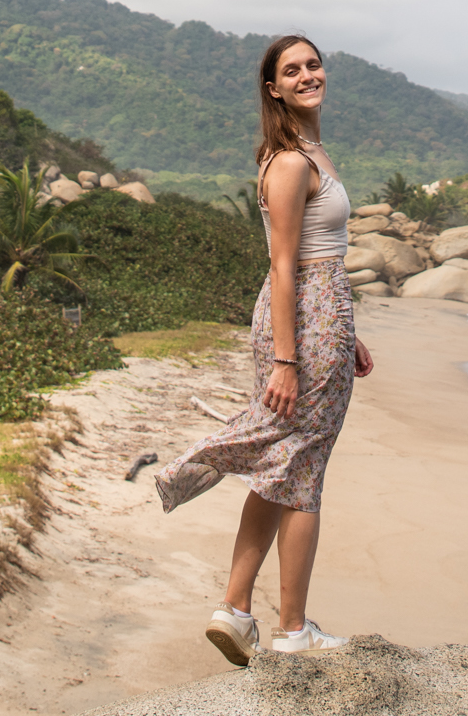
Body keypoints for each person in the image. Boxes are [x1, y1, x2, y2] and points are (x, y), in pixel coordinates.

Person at [155, 33, 376, 663]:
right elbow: (284, 266)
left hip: (320, 316)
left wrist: (346, 330)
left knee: (283, 464)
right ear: (273, 88)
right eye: (292, 70)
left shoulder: (311, 151)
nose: (308, 75)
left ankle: (237, 611)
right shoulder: (288, 162)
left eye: (313, 64)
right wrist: (287, 357)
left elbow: (317, 259)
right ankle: (293, 628)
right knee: (302, 469)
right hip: (301, 317)